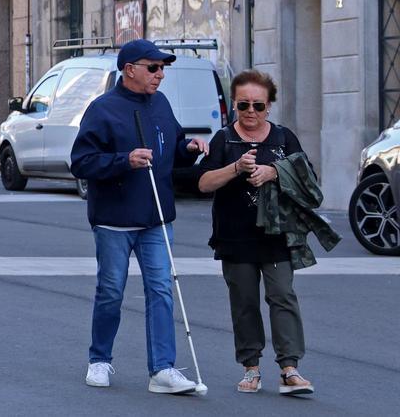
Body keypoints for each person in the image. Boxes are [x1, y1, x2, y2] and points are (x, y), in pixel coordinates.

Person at [69, 39, 209, 394]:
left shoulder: (160, 104)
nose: (160, 75)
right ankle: (100, 359)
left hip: (157, 218)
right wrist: (123, 160)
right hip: (114, 219)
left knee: (161, 289)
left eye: (163, 68)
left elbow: (173, 149)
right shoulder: (102, 109)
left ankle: (162, 369)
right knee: (111, 291)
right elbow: (81, 162)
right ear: (129, 69)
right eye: (153, 67)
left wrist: (189, 148)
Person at [197, 70, 314, 395]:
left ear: (269, 107)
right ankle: (251, 368)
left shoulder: (283, 138)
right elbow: (204, 183)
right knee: (245, 302)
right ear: (234, 104)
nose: (250, 112)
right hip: (235, 235)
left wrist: (273, 171)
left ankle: (290, 368)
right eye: (243, 105)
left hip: (277, 234)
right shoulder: (224, 139)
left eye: (258, 106)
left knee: (283, 296)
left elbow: (308, 178)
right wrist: (235, 168)